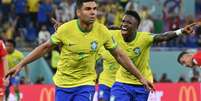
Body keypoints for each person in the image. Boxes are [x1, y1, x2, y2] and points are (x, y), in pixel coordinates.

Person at [5, 0, 154, 101]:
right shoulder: (66, 29)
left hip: (86, 83)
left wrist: (140, 77)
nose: (93, 12)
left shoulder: (102, 31)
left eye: (95, 9)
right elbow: (44, 47)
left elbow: (120, 55)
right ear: (78, 12)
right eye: (88, 9)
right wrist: (20, 64)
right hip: (63, 84)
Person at [107, 10, 194, 101]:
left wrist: (181, 31)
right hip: (122, 83)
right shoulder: (115, 34)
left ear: (136, 27)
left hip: (142, 84)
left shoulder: (144, 38)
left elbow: (163, 36)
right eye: (123, 21)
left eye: (129, 22)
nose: (124, 24)